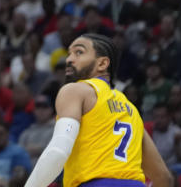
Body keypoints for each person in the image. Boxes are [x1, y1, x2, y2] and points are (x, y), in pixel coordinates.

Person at [20, 34, 172, 187]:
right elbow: (164, 178)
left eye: (79, 52)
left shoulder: (76, 91)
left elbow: (58, 151)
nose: (69, 59)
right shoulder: (131, 111)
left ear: (102, 63)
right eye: (69, 54)